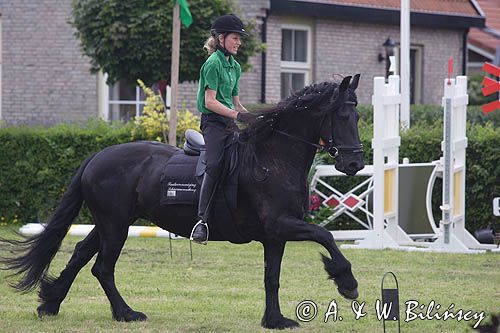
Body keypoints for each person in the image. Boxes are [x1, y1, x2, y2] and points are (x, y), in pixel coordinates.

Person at [190, 14, 261, 244]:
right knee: (216, 163)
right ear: (221, 38)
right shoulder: (212, 63)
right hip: (212, 123)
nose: (239, 42)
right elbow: (210, 102)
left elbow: (236, 103)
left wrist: (254, 118)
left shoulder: (235, 66)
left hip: (229, 123)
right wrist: (236, 115)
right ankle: (201, 222)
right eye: (235, 37)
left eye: (240, 38)